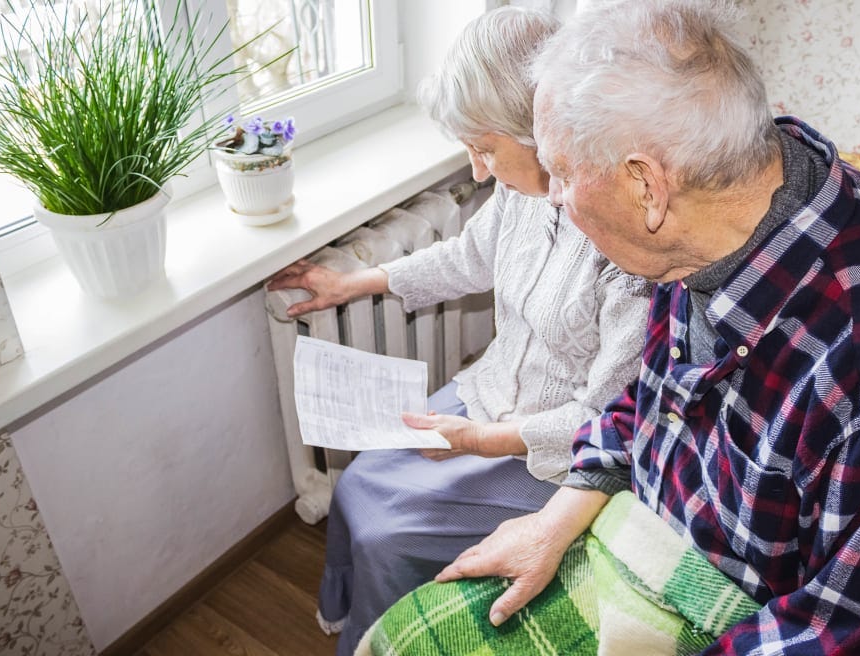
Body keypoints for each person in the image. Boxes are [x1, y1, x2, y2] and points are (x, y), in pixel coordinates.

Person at [360, 1, 860, 654]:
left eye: (564, 174)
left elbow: (845, 634)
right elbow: (645, 400)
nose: (552, 197)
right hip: (634, 529)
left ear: (646, 186)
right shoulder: (706, 220)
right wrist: (555, 521)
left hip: (736, 617)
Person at [267, 7, 652, 654]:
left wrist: (480, 440)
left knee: (390, 535)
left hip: (554, 453)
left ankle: (384, 640)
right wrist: (352, 283)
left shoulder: (627, 248)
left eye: (485, 149)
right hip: (488, 394)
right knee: (356, 483)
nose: (476, 171)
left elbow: (608, 419)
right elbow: (468, 257)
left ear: (541, 130)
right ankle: (349, 607)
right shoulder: (520, 194)